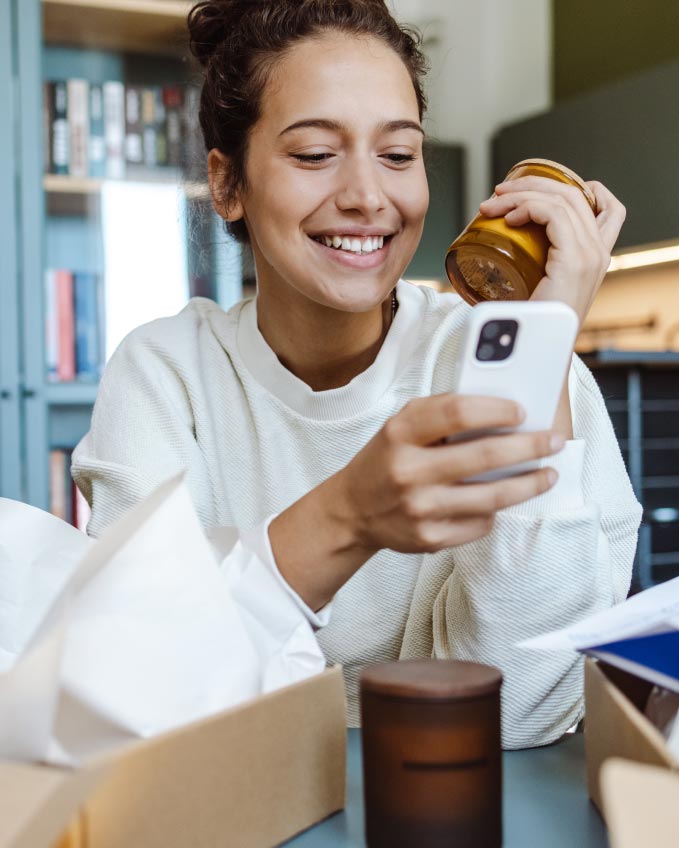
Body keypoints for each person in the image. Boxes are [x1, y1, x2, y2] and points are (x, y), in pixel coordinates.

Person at [72, 0, 642, 747]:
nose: (369, 196)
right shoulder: (165, 374)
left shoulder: (514, 361)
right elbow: (134, 688)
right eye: (314, 154)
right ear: (227, 182)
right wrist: (349, 515)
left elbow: (522, 710)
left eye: (399, 155)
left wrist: (540, 343)